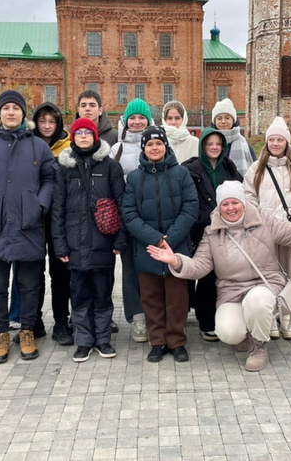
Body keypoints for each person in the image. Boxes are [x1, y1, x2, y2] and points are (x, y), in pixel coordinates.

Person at [147, 181, 291, 372]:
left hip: (265, 284)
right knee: (228, 333)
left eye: (235, 202)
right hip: (231, 291)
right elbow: (201, 266)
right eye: (225, 203)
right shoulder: (212, 232)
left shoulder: (265, 221)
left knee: (257, 300)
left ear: (243, 203)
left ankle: (258, 345)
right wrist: (176, 260)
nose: (231, 208)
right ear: (219, 206)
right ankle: (248, 333)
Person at [0, 90, 56, 364]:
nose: (10, 113)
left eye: (15, 108)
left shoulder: (38, 147)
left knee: (28, 284)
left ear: (23, 113)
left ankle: (27, 330)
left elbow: (49, 180)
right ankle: (1, 333)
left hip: (28, 224)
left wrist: (39, 205)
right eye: (5, 108)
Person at [52, 118, 127, 362]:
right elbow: (58, 210)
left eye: (88, 132)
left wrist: (119, 240)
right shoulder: (64, 169)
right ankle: (83, 341)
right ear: (73, 136)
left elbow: (122, 205)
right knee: (80, 294)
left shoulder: (110, 168)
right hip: (75, 244)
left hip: (103, 242)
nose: (83, 136)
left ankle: (103, 339)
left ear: (95, 136)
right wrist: (60, 245)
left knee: (103, 293)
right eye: (79, 132)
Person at [122, 126, 199, 362]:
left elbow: (191, 206)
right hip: (147, 248)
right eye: (149, 144)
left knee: (177, 297)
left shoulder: (181, 174)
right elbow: (129, 213)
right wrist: (155, 239)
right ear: (143, 148)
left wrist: (170, 238)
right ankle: (157, 341)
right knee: (151, 298)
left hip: (176, 247)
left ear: (166, 146)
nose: (154, 148)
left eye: (158, 144)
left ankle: (176, 341)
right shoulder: (135, 178)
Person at [244, 116, 291, 340]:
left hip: (288, 230)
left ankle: (287, 316)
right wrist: (258, 220)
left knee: (288, 273)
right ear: (267, 143)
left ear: (286, 142)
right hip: (265, 231)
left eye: (280, 140)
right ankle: (270, 317)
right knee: (266, 274)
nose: (275, 144)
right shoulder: (256, 169)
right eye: (272, 140)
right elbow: (248, 197)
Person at [182, 127, 242, 342]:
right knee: (205, 276)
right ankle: (205, 320)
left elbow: (241, 195)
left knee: (222, 275)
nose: (214, 147)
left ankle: (222, 316)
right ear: (202, 146)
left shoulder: (229, 167)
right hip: (202, 231)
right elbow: (188, 202)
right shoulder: (191, 170)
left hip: (227, 231)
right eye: (210, 144)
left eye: (218, 143)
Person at [109, 97, 153, 342]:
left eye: (142, 117)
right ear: (126, 121)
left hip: (152, 220)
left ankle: (154, 314)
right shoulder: (117, 149)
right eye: (133, 118)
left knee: (152, 269)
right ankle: (137, 317)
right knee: (130, 271)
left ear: (149, 120)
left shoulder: (158, 145)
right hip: (126, 219)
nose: (137, 122)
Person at [32, 102, 74, 345]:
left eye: (52, 121)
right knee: (33, 273)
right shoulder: (28, 146)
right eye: (42, 121)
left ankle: (61, 321)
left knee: (60, 273)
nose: (47, 126)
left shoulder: (68, 147)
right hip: (34, 218)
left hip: (61, 219)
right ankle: (34, 321)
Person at [211, 98, 256, 177]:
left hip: (240, 187)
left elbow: (255, 171)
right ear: (214, 121)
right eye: (219, 118)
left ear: (233, 120)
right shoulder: (208, 144)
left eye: (227, 118)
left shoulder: (245, 146)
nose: (223, 121)